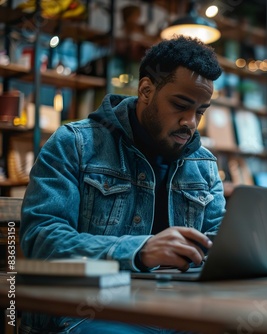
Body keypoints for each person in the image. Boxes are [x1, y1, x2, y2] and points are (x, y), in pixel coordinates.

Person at [19, 36, 225, 333]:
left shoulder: (203, 164)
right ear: (145, 90)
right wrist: (138, 251)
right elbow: (42, 239)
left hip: (183, 309)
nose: (190, 122)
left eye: (200, 112)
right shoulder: (74, 144)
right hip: (87, 311)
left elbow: (220, 242)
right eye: (181, 105)